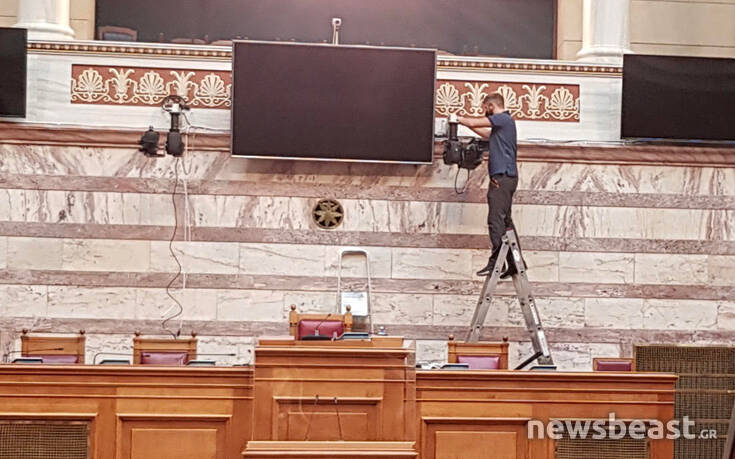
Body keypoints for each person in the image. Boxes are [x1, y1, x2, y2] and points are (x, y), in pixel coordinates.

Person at [457, 93, 522, 278]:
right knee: (505, 221)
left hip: (502, 177)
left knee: (495, 220)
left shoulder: (503, 118)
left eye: (486, 108)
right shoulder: (504, 125)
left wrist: (458, 119)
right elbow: (486, 133)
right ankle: (515, 263)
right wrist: (469, 126)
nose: (485, 112)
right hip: (506, 178)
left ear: (491, 106)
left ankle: (496, 263)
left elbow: (473, 122)